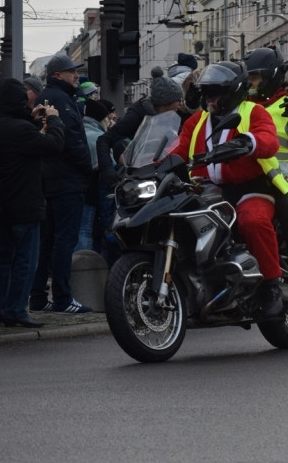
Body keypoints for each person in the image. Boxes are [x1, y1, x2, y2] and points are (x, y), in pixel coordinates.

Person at [171, 60, 288, 318]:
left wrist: (247, 142)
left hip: (250, 187)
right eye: (207, 93)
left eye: (216, 93)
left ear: (232, 91)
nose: (210, 99)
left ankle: (271, 285)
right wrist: (148, 167)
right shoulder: (196, 122)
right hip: (207, 190)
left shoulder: (254, 112)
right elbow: (178, 152)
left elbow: (269, 140)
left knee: (252, 221)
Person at [0, 79, 65, 328]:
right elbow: (53, 145)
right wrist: (55, 120)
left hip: (0, 205)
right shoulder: (21, 130)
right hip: (26, 204)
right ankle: (16, 310)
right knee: (26, 261)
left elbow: (17, 134)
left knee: (1, 260)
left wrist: (31, 118)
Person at [30, 52, 95, 313]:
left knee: (48, 241)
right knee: (64, 240)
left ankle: (37, 296)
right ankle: (63, 298)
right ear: (58, 75)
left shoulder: (50, 96)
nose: (76, 75)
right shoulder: (63, 100)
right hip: (67, 180)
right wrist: (86, 168)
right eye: (72, 71)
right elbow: (72, 140)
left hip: (50, 179)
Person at [244, 46, 288, 277]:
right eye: (250, 78)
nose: (252, 83)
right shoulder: (244, 104)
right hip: (252, 170)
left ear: (271, 76)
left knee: (287, 200)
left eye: (256, 77)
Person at [96, 75, 185, 189]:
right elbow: (104, 139)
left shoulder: (171, 116)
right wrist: (107, 170)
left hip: (159, 174)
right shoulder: (136, 114)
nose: (181, 104)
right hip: (135, 176)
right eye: (178, 100)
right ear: (166, 103)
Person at [76, 98, 113, 254]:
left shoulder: (80, 130)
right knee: (86, 230)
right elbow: (110, 164)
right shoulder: (98, 137)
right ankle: (84, 268)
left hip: (76, 189)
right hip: (91, 191)